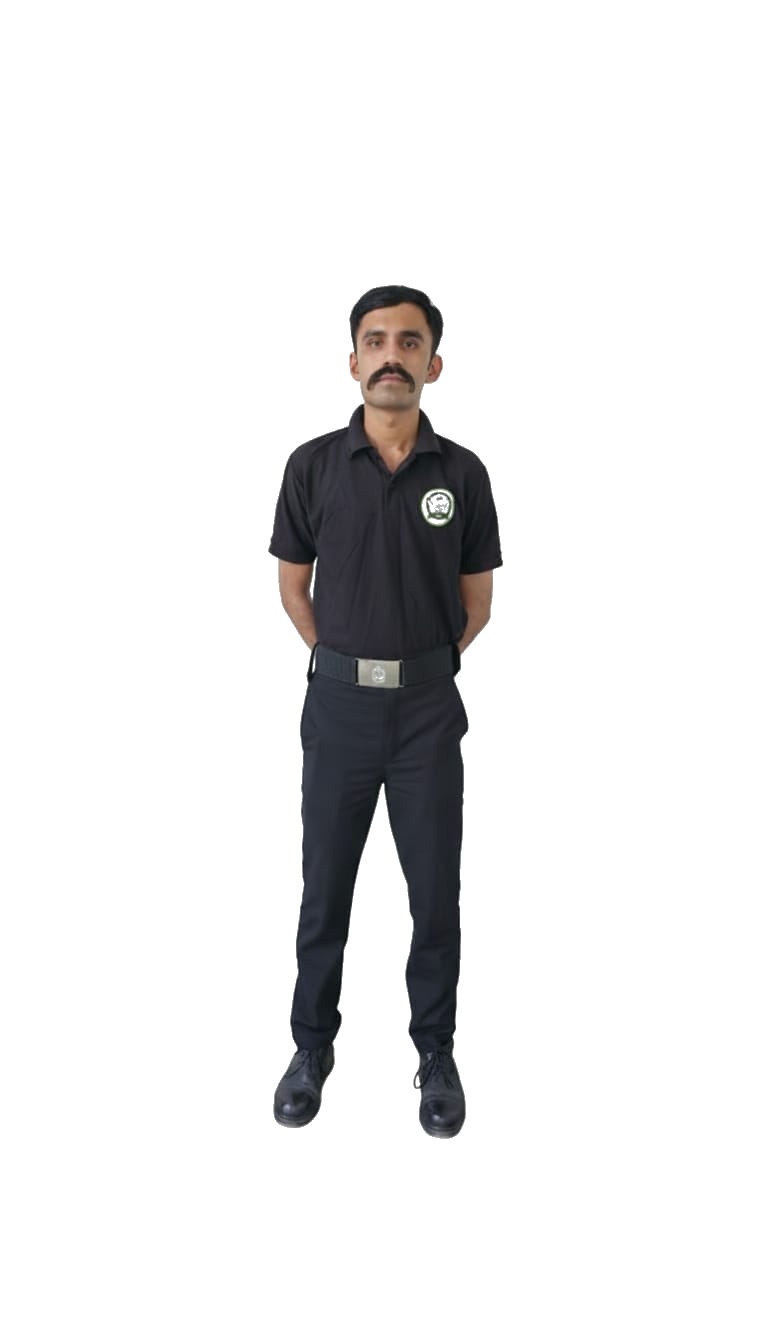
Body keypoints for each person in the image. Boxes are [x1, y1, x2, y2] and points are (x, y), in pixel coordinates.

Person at [268, 285, 503, 1137]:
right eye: (376, 341)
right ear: (353, 361)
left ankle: (435, 1053)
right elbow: (294, 587)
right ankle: (310, 1048)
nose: (391, 355)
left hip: (428, 714)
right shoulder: (312, 466)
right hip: (338, 711)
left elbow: (477, 606)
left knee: (434, 894)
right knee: (324, 890)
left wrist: (415, 669)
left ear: (433, 365)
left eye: (409, 342)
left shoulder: (462, 474)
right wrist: (346, 664)